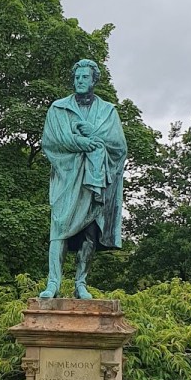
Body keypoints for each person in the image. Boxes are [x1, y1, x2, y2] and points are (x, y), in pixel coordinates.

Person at [39, 59, 127, 299]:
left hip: (94, 180)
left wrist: (94, 134)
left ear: (94, 80)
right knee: (59, 229)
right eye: (77, 77)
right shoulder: (58, 108)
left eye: (85, 77)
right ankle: (53, 283)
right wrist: (81, 142)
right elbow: (50, 141)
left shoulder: (108, 111)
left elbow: (119, 147)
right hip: (67, 178)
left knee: (90, 232)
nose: (79, 81)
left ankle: (81, 284)